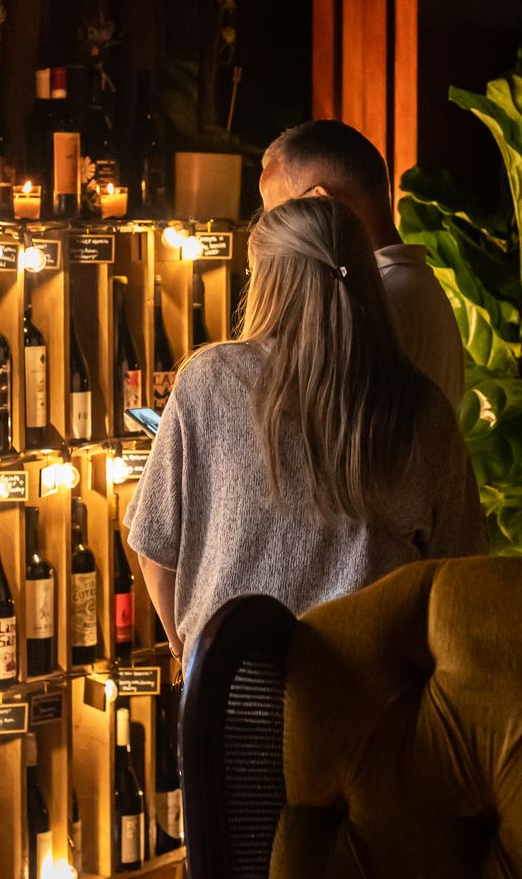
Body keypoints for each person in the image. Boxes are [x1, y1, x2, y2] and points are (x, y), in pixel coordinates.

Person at [125, 196, 485, 660]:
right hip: (370, 703)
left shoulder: (209, 379)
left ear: (270, 285)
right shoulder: (423, 409)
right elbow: (461, 574)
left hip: (233, 702)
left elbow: (155, 552)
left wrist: (192, 658)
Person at [258, 120, 464, 403]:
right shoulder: (413, 284)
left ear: (321, 202)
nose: (271, 235)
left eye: (278, 217)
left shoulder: (373, 300)